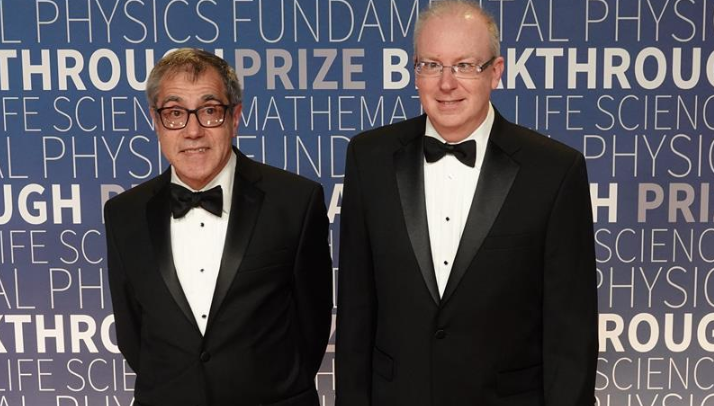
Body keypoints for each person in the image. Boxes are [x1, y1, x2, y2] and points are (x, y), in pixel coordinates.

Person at [335, 1, 598, 405]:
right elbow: (356, 311)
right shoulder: (368, 158)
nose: (446, 83)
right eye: (431, 65)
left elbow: (571, 334)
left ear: (496, 71)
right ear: (415, 72)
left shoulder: (554, 171)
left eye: (464, 66)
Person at [105, 48, 332, 406]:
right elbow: (133, 334)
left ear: (235, 117)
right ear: (156, 121)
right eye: (175, 113)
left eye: (209, 111)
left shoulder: (295, 201)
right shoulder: (124, 214)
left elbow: (313, 325)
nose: (193, 131)